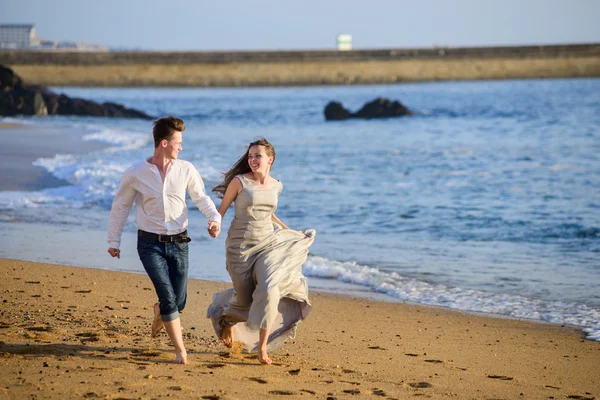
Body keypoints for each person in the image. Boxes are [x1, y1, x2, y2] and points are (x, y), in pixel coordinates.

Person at [107, 116, 221, 364]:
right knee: (169, 297)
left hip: (180, 242)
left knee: (178, 302)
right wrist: (113, 241)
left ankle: (161, 312)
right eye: (178, 142)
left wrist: (214, 219)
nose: (181, 146)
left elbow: (201, 198)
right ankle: (181, 350)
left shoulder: (186, 169)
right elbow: (121, 207)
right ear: (164, 143)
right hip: (150, 244)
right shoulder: (136, 172)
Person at [207, 137, 315, 365]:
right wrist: (215, 224)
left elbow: (268, 213)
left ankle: (262, 348)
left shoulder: (277, 185)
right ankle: (224, 317)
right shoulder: (239, 182)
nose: (253, 159)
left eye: (258, 155)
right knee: (245, 304)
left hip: (268, 245)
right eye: (250, 156)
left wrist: (290, 231)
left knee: (269, 289)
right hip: (240, 248)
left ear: (270, 159)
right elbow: (222, 209)